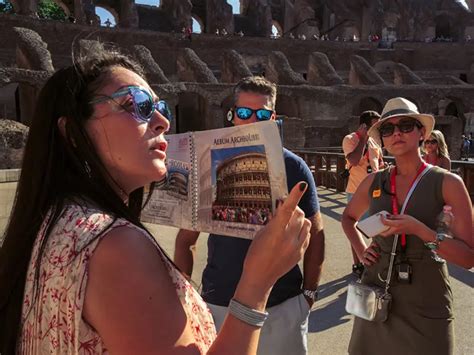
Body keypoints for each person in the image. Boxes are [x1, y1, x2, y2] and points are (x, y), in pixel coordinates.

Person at [0, 50, 314, 354]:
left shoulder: (59, 219)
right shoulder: (115, 246)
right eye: (136, 104)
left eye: (157, 105)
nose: (163, 120)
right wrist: (257, 284)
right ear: (72, 133)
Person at [174, 76, 325, 355]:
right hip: (221, 302)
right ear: (233, 115)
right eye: (245, 112)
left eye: (262, 114)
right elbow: (186, 239)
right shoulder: (207, 164)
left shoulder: (294, 167)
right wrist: (183, 294)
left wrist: (309, 294)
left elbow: (317, 234)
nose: (253, 120)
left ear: (273, 117)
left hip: (282, 304)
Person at [342, 97, 473, 355]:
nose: (397, 133)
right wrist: (360, 250)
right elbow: (347, 218)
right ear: (382, 140)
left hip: (426, 290)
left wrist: (420, 230)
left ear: (421, 132)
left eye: (405, 125)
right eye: (388, 129)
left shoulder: (448, 182)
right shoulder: (374, 181)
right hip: (378, 283)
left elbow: (468, 257)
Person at [342, 110, 384, 276]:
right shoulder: (350, 139)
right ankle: (358, 263)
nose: (378, 128)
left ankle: (374, 263)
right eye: (375, 125)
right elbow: (353, 160)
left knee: (378, 230)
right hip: (356, 191)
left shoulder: (375, 142)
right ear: (365, 125)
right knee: (356, 230)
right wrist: (363, 139)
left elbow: (379, 164)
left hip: (376, 191)